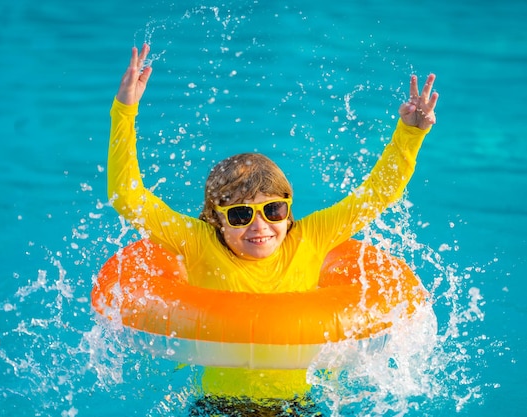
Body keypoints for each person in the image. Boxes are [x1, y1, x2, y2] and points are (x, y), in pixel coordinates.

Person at [107, 44, 438, 414]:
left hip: (297, 406)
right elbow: (127, 196)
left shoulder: (311, 237)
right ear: (215, 217)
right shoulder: (197, 242)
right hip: (220, 406)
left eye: (273, 209)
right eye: (239, 215)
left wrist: (410, 134)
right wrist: (125, 109)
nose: (260, 225)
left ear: (288, 209)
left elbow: (377, 194)